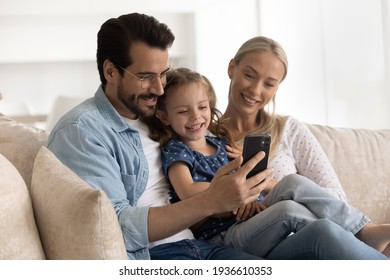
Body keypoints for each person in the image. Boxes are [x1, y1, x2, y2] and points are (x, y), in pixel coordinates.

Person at [47, 13, 387, 260]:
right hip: (182, 253)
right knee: (295, 217)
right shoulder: (84, 131)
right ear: (110, 71)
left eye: (163, 75)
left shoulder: (157, 120)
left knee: (323, 232)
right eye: (146, 76)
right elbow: (117, 226)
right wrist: (216, 198)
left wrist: (244, 183)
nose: (160, 88)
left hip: (215, 241)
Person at [147, 67, 389, 258]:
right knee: (288, 211)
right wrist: (235, 192)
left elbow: (249, 180)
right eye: (183, 112)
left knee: (293, 182)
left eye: (202, 107)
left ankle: (361, 229)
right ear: (163, 116)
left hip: (253, 219)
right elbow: (187, 192)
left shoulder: (221, 144)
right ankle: (357, 242)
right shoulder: (177, 150)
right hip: (223, 234)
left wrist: (249, 190)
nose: (196, 117)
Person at [220, 35, 390, 254]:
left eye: (269, 84)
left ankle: (364, 234)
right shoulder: (202, 137)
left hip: (303, 234)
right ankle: (364, 233)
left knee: (310, 214)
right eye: (249, 75)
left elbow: (336, 198)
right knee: (316, 226)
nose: (255, 90)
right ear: (232, 68)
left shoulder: (288, 129)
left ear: (277, 88)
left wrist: (273, 186)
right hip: (250, 239)